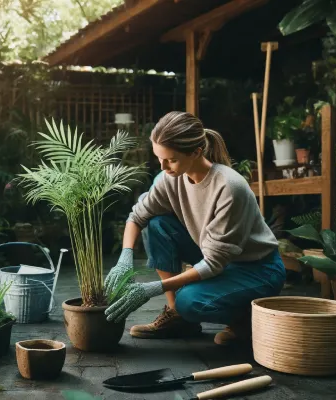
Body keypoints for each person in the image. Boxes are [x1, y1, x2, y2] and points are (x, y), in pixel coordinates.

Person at [104, 111, 285, 346]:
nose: (163, 166)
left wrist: (152, 288)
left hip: (256, 269)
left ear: (196, 152)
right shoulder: (169, 178)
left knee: (189, 301)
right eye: (159, 158)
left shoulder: (229, 188)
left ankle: (245, 320)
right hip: (215, 255)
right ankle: (177, 317)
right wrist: (124, 258)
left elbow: (213, 263)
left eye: (171, 159)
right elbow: (137, 217)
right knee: (157, 224)